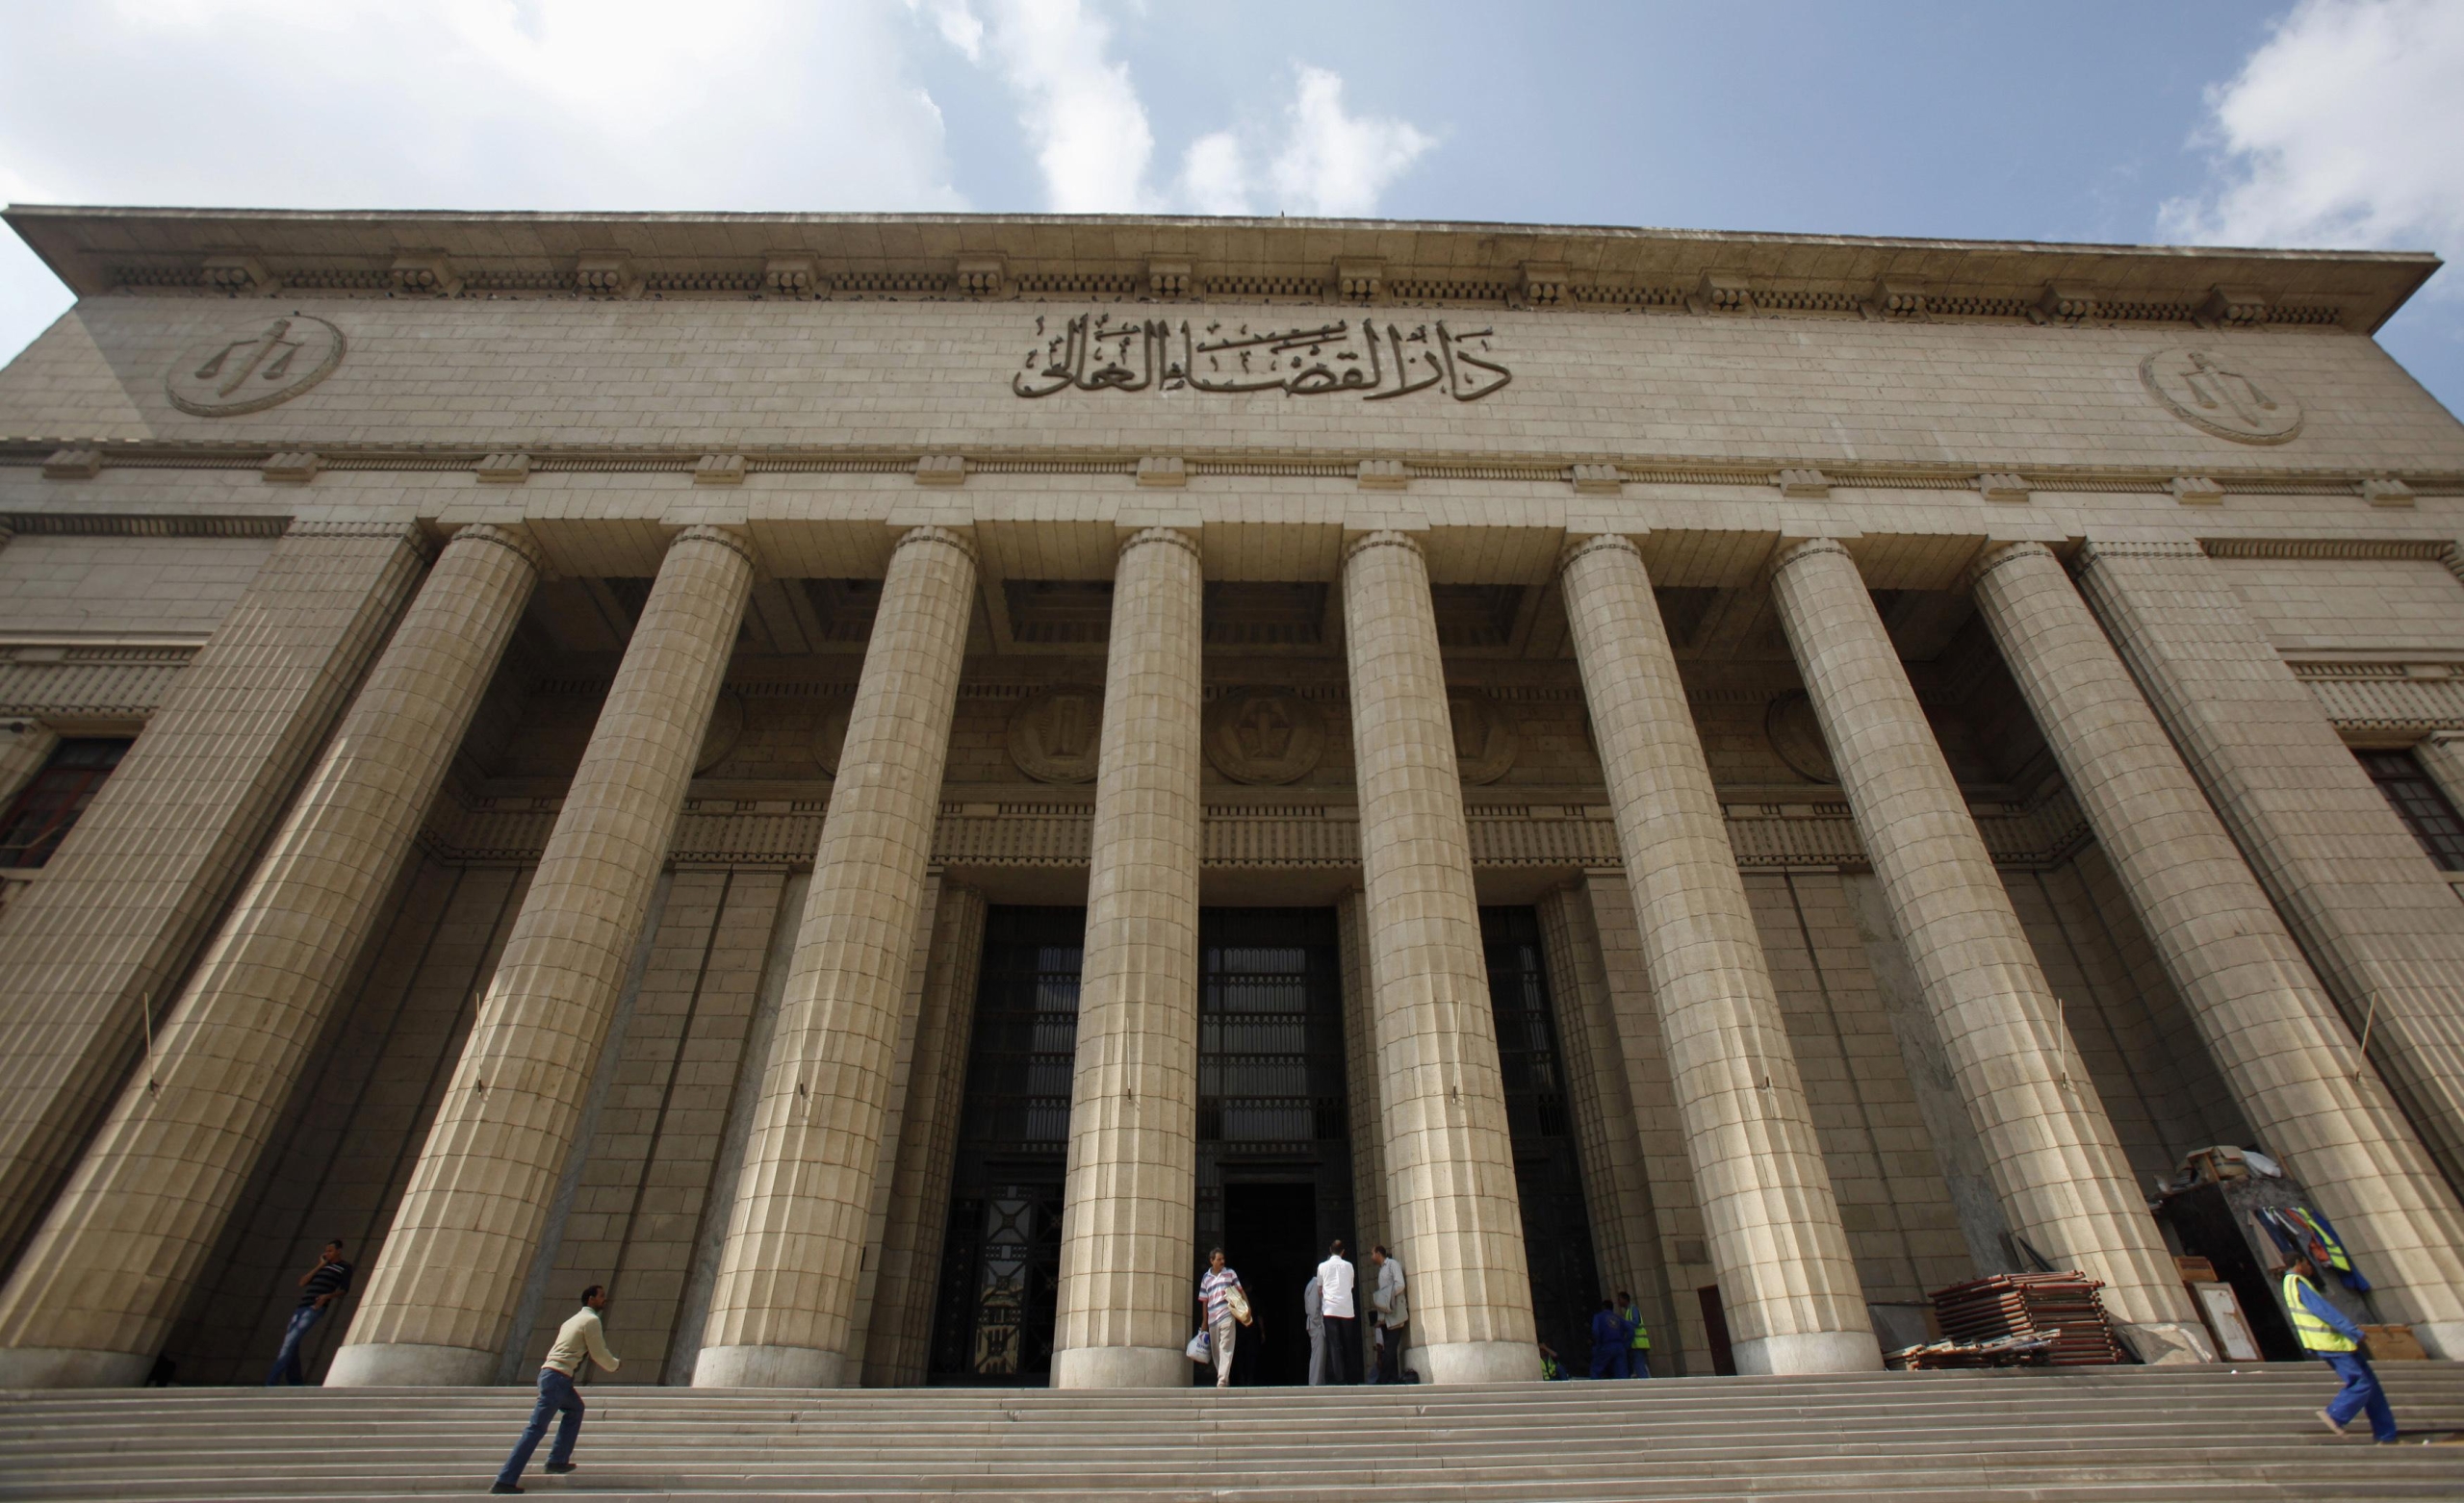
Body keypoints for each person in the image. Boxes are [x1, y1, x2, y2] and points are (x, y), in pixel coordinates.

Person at [493, 1285, 619, 1494]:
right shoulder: (591, 1320)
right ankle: (505, 1480)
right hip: (558, 1378)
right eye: (601, 1296)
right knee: (535, 1429)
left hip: (553, 1376)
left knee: (575, 1409)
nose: (604, 1299)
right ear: (590, 1299)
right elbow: (598, 1352)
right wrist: (615, 1365)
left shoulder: (572, 1320)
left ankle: (557, 1460)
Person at [2282, 1254, 2398, 1442]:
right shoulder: (2298, 1283)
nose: (2311, 1267)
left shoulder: (2291, 1283)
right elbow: (2324, 1311)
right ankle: (2335, 1414)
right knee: (2361, 1383)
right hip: (2330, 1343)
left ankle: (2386, 1434)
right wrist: (2352, 1330)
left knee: (2372, 1387)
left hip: (2337, 1343)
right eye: (2307, 1263)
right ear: (2299, 1263)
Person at [265, 1238, 351, 1386]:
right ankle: (296, 1382)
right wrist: (321, 1265)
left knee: (289, 1342)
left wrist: (326, 1297)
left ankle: (271, 1382)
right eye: (326, 1251)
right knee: (292, 1344)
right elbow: (302, 1282)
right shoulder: (323, 1266)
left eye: (330, 1251)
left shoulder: (344, 1267)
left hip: (314, 1307)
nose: (327, 1253)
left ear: (338, 1251)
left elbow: (344, 1289)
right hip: (301, 1307)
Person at [1197, 1247, 1243, 1389]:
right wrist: (1204, 1321)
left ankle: (1222, 1380)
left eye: (1223, 1259)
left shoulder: (1230, 1273)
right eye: (1219, 1259)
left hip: (1227, 1315)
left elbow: (1240, 1291)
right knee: (1216, 1351)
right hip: (1212, 1319)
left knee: (1226, 1348)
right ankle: (1224, 1376)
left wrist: (1246, 1309)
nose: (1222, 1261)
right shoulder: (1206, 1278)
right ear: (1212, 1261)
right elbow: (1204, 1300)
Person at [1317, 1238, 1359, 1384]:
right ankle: (1352, 1377)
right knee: (1348, 1343)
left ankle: (1338, 1378)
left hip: (1330, 1309)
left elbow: (1320, 1288)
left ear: (1330, 1250)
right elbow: (1351, 1286)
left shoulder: (1322, 1266)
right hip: (1346, 1310)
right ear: (1343, 1252)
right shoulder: (1349, 1266)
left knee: (1334, 1345)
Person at [1370, 1244, 1408, 1384]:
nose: (1371, 1257)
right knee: (1389, 1348)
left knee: (1390, 1349)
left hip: (1396, 1314)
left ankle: (1383, 1378)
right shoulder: (1381, 1270)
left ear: (1378, 1253)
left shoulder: (1392, 1264)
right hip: (1387, 1316)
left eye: (1372, 1253)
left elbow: (1400, 1285)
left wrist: (1386, 1296)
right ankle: (1393, 1378)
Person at [1589, 1299, 1631, 1379]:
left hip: (1607, 1345)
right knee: (1621, 1373)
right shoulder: (1619, 1318)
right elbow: (1631, 1330)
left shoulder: (1599, 1317)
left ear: (1603, 1307)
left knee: (1596, 1369)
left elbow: (1595, 1331)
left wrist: (1598, 1344)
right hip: (1620, 1347)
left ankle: (1595, 1385)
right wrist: (1626, 1344)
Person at [1616, 1290, 1652, 1378]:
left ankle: (1644, 1382)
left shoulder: (1633, 1309)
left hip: (1638, 1343)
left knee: (1639, 1365)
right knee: (1637, 1366)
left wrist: (1623, 1323)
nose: (1618, 1302)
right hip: (1633, 1344)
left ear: (1625, 1299)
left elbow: (1636, 1322)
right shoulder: (1628, 1311)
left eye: (1619, 1299)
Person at [1303, 1273, 1327, 1385]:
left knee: (1321, 1356)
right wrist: (1319, 1324)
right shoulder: (1314, 1284)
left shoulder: (1315, 1284)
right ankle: (1315, 1384)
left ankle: (1319, 1383)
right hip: (1316, 1325)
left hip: (1316, 1325)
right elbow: (1314, 1309)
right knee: (1318, 1356)